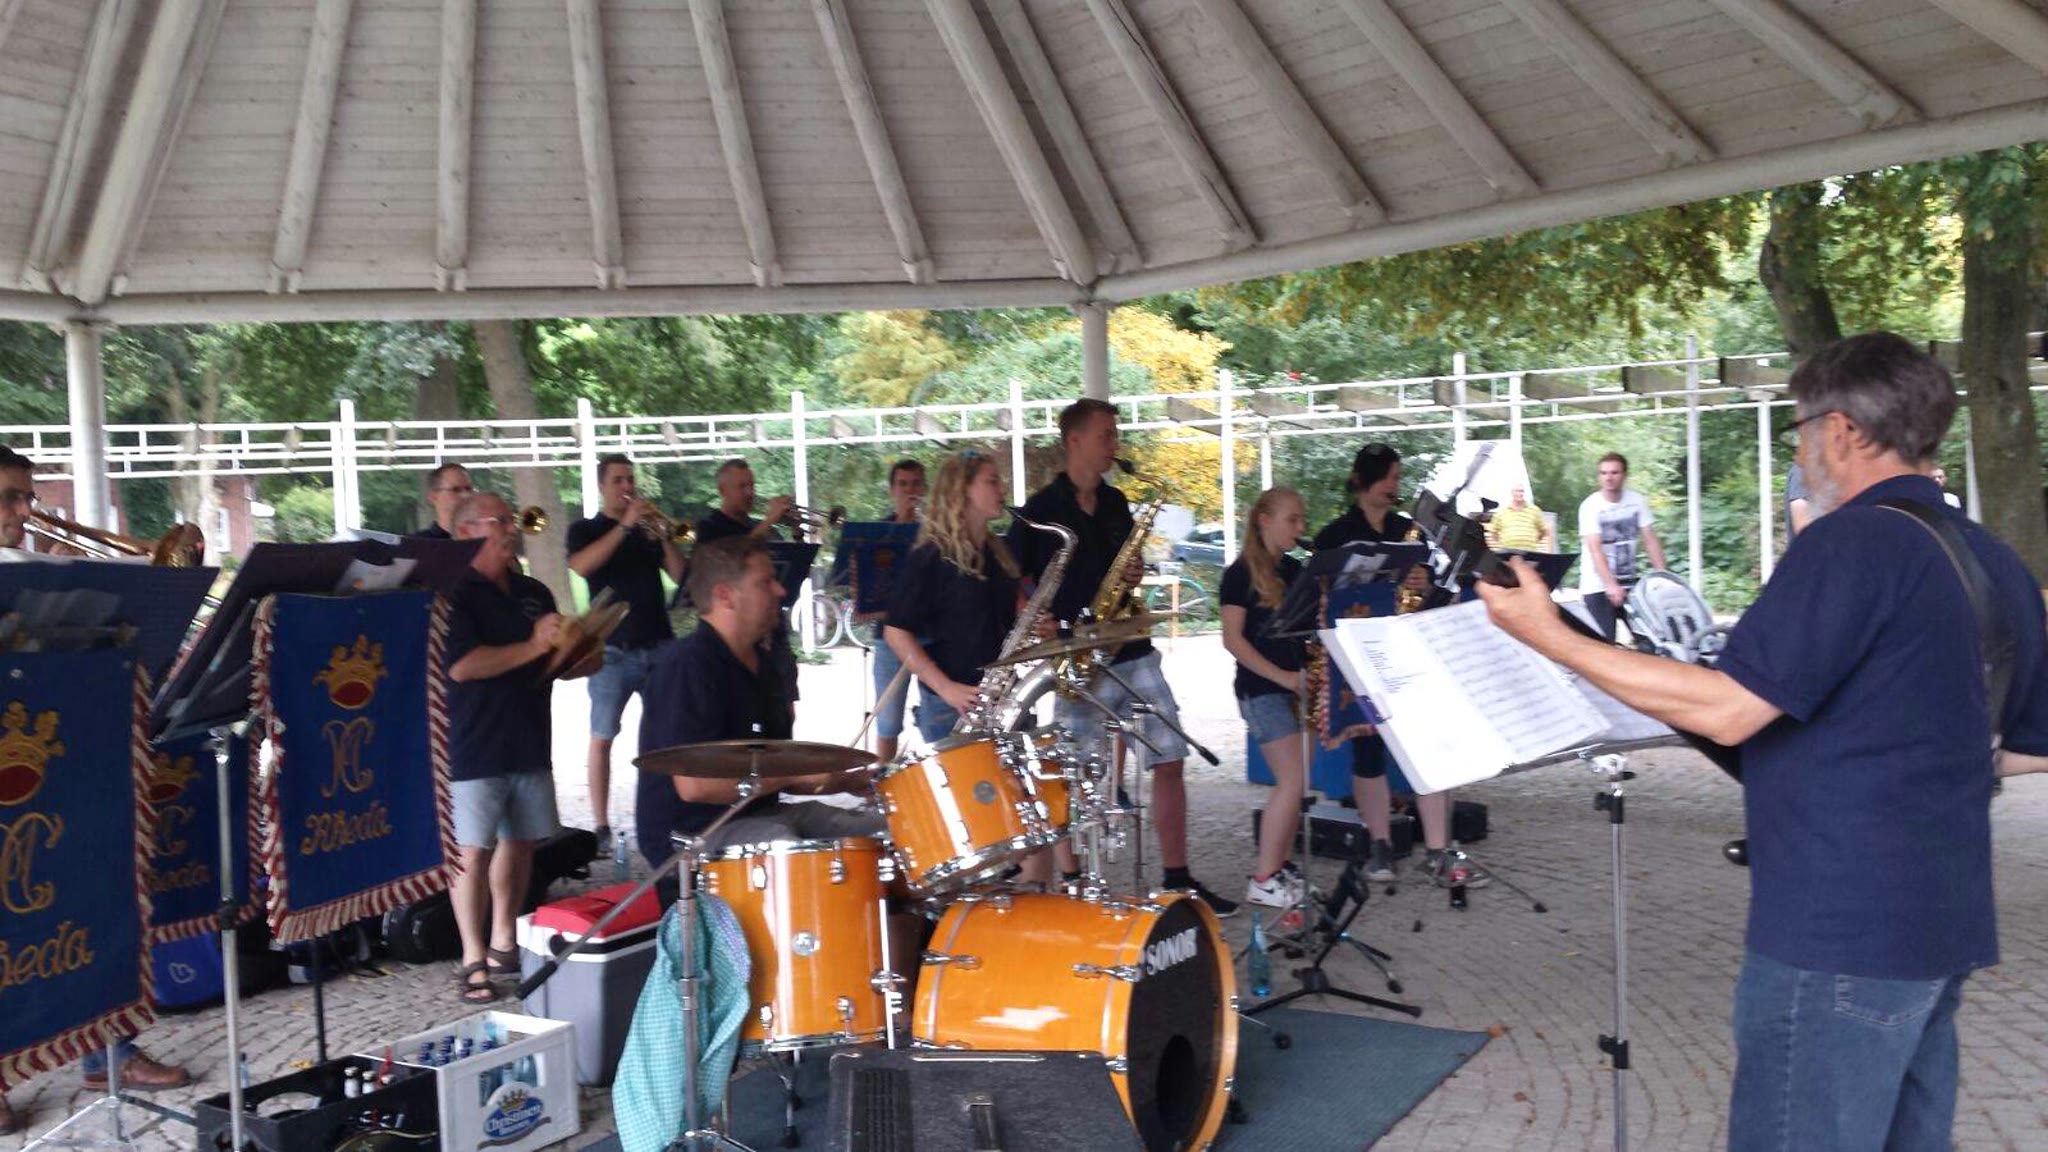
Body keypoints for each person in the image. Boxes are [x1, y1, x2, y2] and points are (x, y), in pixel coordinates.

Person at [1478, 332, 2048, 1152]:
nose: (1801, 451)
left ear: (1843, 431)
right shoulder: (1991, 557)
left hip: (1838, 931)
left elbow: (1731, 710)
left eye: (1801, 428)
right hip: (1940, 921)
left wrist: (1550, 636)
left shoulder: (1853, 540)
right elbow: (2019, 746)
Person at [0, 448, 189, 1135]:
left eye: (26, 496)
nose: (25, 511)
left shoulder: (31, 569)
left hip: (64, 768)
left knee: (86, 900)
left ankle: (108, 1049)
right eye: (8, 498)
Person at [1007, 399, 1235, 916]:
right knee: (1073, 777)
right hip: (1076, 658)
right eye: (1107, 434)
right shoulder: (1039, 510)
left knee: (1170, 755)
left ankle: (1178, 878)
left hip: (1130, 648)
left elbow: (1127, 566)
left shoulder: (1115, 502)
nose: (1116, 444)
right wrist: (1034, 616)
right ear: (1075, 441)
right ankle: (1077, 883)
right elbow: (1012, 581)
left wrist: (1133, 572)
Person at [636, 537, 882, 868]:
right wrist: (795, 777)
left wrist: (845, 780)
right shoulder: (686, 666)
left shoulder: (764, 665)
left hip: (760, 815)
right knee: (794, 855)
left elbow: (771, 769)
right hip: (692, 836)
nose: (780, 591)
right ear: (725, 595)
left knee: (878, 831)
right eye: (765, 582)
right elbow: (695, 786)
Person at [1312, 444, 1475, 888]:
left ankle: (1438, 850)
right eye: (1389, 477)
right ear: (1365, 479)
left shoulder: (1409, 530)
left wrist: (1424, 580)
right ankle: (1379, 845)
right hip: (1359, 653)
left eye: (1398, 478)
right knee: (1368, 750)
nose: (1395, 486)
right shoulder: (1333, 535)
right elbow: (1318, 593)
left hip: (1408, 649)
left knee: (1428, 745)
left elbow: (1435, 588)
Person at [447, 491, 578, 1004]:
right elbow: (463, 666)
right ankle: (471, 957)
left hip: (528, 734)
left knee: (521, 841)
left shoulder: (533, 591)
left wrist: (580, 651)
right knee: (472, 851)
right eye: (498, 521)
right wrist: (535, 645)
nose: (511, 527)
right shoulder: (453, 592)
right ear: (466, 531)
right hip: (473, 740)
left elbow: (551, 660)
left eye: (511, 519)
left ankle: (504, 940)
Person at [566, 455, 687, 841]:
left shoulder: (647, 531)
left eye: (630, 479)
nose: (627, 486)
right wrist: (625, 525)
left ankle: (671, 811)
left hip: (658, 644)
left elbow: (682, 576)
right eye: (618, 480)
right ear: (602, 486)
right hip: (611, 651)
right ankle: (601, 824)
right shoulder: (585, 529)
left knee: (669, 735)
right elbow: (581, 566)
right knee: (602, 736)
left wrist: (664, 536)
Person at [883, 451, 1017, 744]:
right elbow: (895, 632)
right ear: (963, 489)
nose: (1002, 489)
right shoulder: (931, 556)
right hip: (952, 706)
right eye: (992, 481)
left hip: (1002, 698)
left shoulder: (996, 552)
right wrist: (946, 688)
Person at [1220, 488, 1309, 909]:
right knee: (1291, 782)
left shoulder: (1294, 570)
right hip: (1262, 690)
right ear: (1265, 521)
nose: (1301, 528)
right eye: (1293, 519)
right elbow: (1233, 640)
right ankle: (1264, 877)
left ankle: (1281, 866)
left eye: (1302, 519)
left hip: (1292, 687)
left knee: (1296, 783)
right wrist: (1285, 678)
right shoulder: (1238, 574)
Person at [862, 459, 924, 764]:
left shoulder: (937, 529)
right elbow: (866, 585)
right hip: (889, 635)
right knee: (887, 719)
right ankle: (882, 778)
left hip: (933, 633)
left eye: (915, 484)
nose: (910, 490)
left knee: (940, 715)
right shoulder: (878, 534)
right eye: (903, 484)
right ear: (892, 490)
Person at [1576, 452, 1666, 640]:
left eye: (1614, 473)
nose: (1608, 478)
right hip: (1597, 585)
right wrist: (1610, 585)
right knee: (1604, 645)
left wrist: (1662, 576)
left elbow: (1650, 539)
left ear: (1624, 475)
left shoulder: (1637, 501)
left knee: (1650, 640)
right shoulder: (1590, 506)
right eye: (1603, 473)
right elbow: (1595, 549)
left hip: (1630, 582)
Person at [694, 457, 795, 544]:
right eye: (741, 486)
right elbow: (738, 555)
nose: (750, 492)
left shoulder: (761, 527)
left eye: (752, 485)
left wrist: (797, 532)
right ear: (722, 491)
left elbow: (790, 558)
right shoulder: (708, 527)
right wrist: (770, 520)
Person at [414, 462, 473, 539]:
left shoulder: (484, 541)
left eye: (468, 489)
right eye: (456, 490)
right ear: (433, 496)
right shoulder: (417, 543)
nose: (466, 495)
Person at [1485, 485, 1552, 552]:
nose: (1520, 494)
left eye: (1522, 491)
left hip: (1529, 551)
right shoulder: (1502, 512)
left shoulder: (1534, 510)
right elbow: (1493, 531)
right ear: (1512, 493)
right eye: (1517, 491)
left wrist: (1534, 540)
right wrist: (1503, 542)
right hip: (1508, 551)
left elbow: (1543, 530)